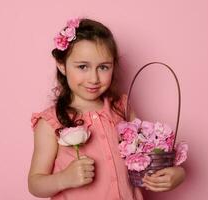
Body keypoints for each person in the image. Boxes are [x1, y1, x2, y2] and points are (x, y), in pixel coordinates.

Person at [28, 18, 186, 200]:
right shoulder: (51, 122)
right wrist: (63, 179)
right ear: (62, 65)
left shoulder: (121, 107)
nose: (94, 78)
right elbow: (35, 184)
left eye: (103, 67)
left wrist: (176, 173)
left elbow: (148, 156)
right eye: (82, 67)